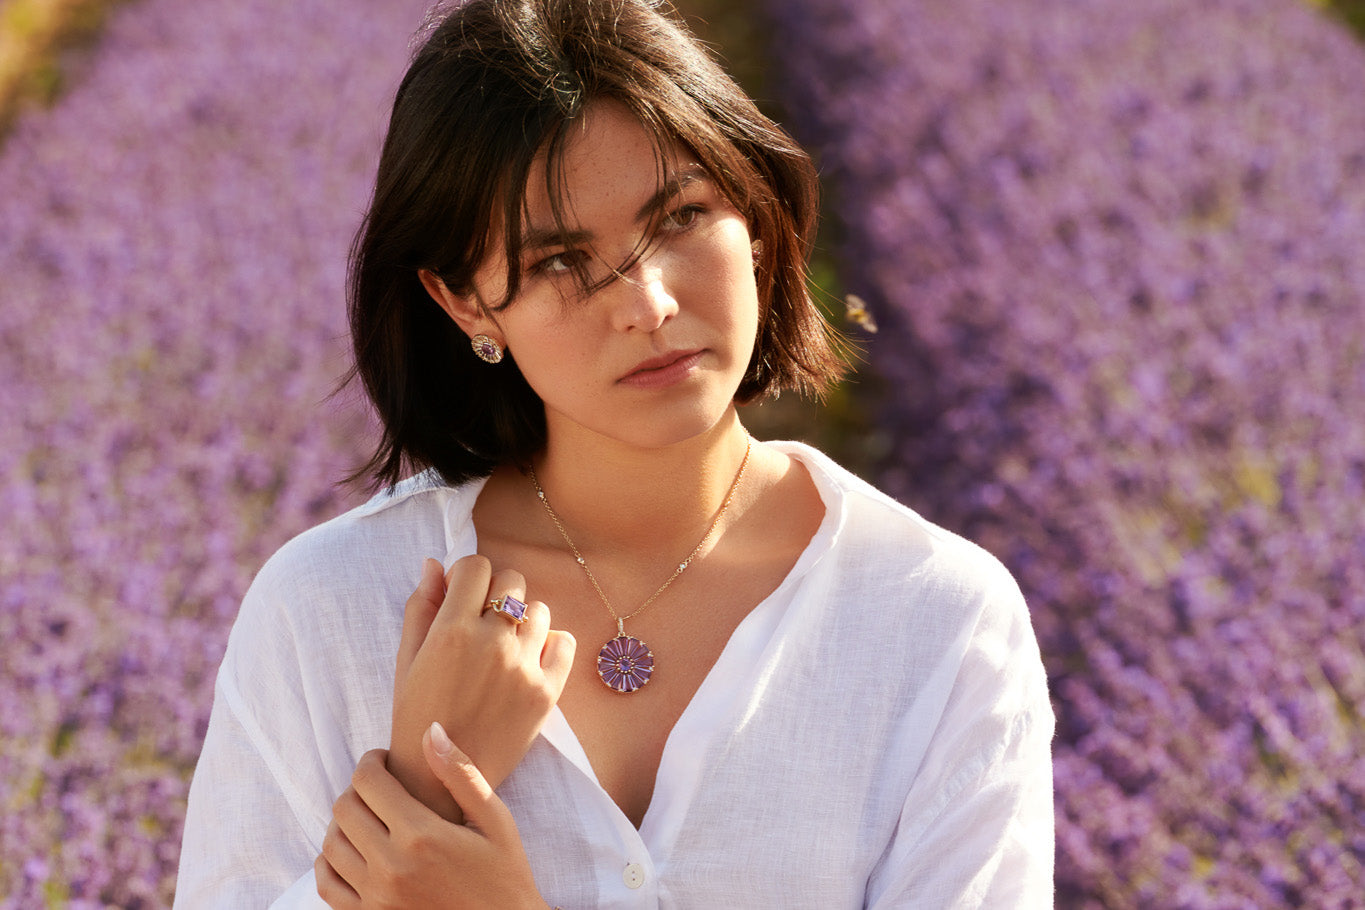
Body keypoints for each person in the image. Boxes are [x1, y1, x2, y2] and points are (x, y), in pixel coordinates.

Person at [174, 0, 1055, 906]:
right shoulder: (330, 608)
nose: (647, 304)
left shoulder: (934, 620)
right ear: (465, 303)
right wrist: (424, 782)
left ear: (750, 213)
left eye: (678, 217)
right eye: (558, 260)